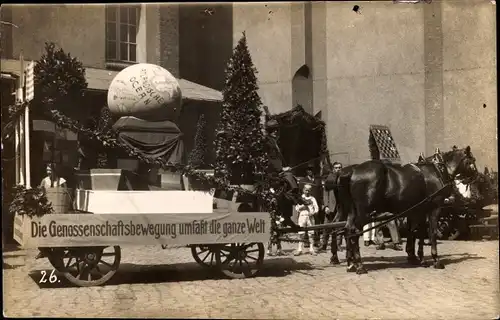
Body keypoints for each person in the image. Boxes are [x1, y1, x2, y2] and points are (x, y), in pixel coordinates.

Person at [319, 161, 344, 253]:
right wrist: (326, 206)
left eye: (339, 167)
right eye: (336, 168)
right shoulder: (329, 179)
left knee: (339, 227)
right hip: (331, 207)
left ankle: (338, 245)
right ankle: (324, 245)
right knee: (327, 226)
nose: (338, 169)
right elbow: (325, 194)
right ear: (333, 169)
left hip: (340, 207)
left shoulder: (343, 179)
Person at [301, 164, 323, 247]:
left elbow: (321, 192)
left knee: (317, 222)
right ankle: (306, 240)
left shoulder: (318, 180)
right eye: (309, 169)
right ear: (306, 171)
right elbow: (300, 193)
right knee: (306, 222)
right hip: (307, 204)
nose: (310, 171)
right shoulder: (303, 180)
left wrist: (322, 203)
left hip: (316, 204)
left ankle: (316, 240)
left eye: (312, 169)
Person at [294, 184, 319, 256]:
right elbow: (297, 208)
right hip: (302, 216)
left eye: (309, 190)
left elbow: (316, 208)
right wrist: (302, 207)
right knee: (301, 233)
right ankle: (299, 249)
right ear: (303, 190)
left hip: (310, 217)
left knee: (311, 233)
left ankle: (311, 249)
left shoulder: (312, 198)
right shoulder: (301, 198)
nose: (307, 192)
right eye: (306, 190)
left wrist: (313, 213)